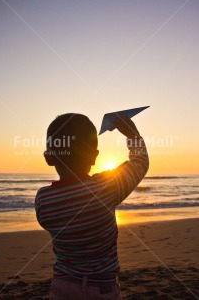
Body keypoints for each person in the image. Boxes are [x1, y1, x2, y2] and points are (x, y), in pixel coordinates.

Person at [35, 113, 149, 300]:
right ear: (94, 157)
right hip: (101, 288)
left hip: (62, 286)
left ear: (49, 158)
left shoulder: (43, 199)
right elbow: (140, 163)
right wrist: (133, 135)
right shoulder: (105, 188)